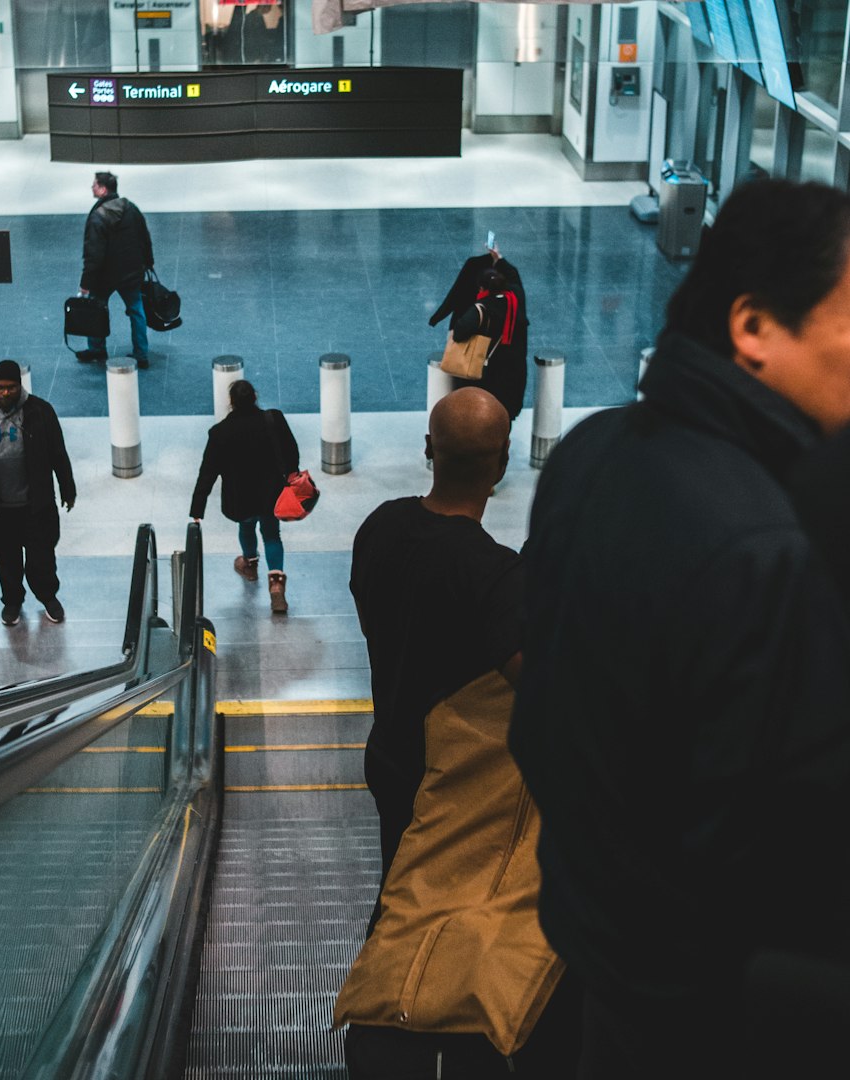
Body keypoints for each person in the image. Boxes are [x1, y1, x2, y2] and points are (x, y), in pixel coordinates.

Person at [509, 178, 850, 1080]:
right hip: (710, 1016)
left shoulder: (591, 454)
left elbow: (540, 724)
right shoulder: (771, 543)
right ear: (754, 327)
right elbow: (772, 844)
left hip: (599, 955)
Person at [337, 388, 579, 1077]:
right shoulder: (493, 574)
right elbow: (538, 684)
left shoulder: (378, 528)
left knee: (398, 892)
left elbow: (370, 607)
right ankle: (442, 1021)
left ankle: (389, 1017)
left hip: (388, 755)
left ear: (426, 450)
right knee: (452, 903)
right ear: (501, 466)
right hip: (455, 786)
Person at [0, 360, 76, 627]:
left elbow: (58, 453)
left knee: (42, 557)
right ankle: (12, 601)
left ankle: (48, 596)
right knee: (6, 560)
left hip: (35, 506)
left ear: (20, 386)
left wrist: (68, 488)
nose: (5, 393)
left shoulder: (40, 411)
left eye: (10, 388)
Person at [190, 380, 299, 614]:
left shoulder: (219, 433)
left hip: (240, 498)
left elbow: (207, 473)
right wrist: (292, 476)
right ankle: (277, 583)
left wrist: (197, 509)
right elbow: (292, 452)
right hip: (271, 495)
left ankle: (249, 565)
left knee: (246, 526)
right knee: (272, 534)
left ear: (231, 402)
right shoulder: (274, 419)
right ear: (255, 396)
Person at [430, 242, 529, 419]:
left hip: (488, 375)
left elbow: (460, 332)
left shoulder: (481, 309)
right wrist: (498, 258)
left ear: (482, 288)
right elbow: (514, 276)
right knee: (503, 416)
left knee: (480, 417)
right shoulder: (515, 298)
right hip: (512, 374)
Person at [77, 170, 155, 367]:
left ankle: (97, 349)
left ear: (103, 189)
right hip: (131, 272)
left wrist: (86, 282)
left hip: (105, 276)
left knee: (96, 309)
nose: (91, 187)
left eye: (94, 184)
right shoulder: (131, 208)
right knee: (136, 310)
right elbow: (145, 237)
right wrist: (148, 262)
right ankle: (141, 354)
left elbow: (93, 253)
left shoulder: (97, 217)